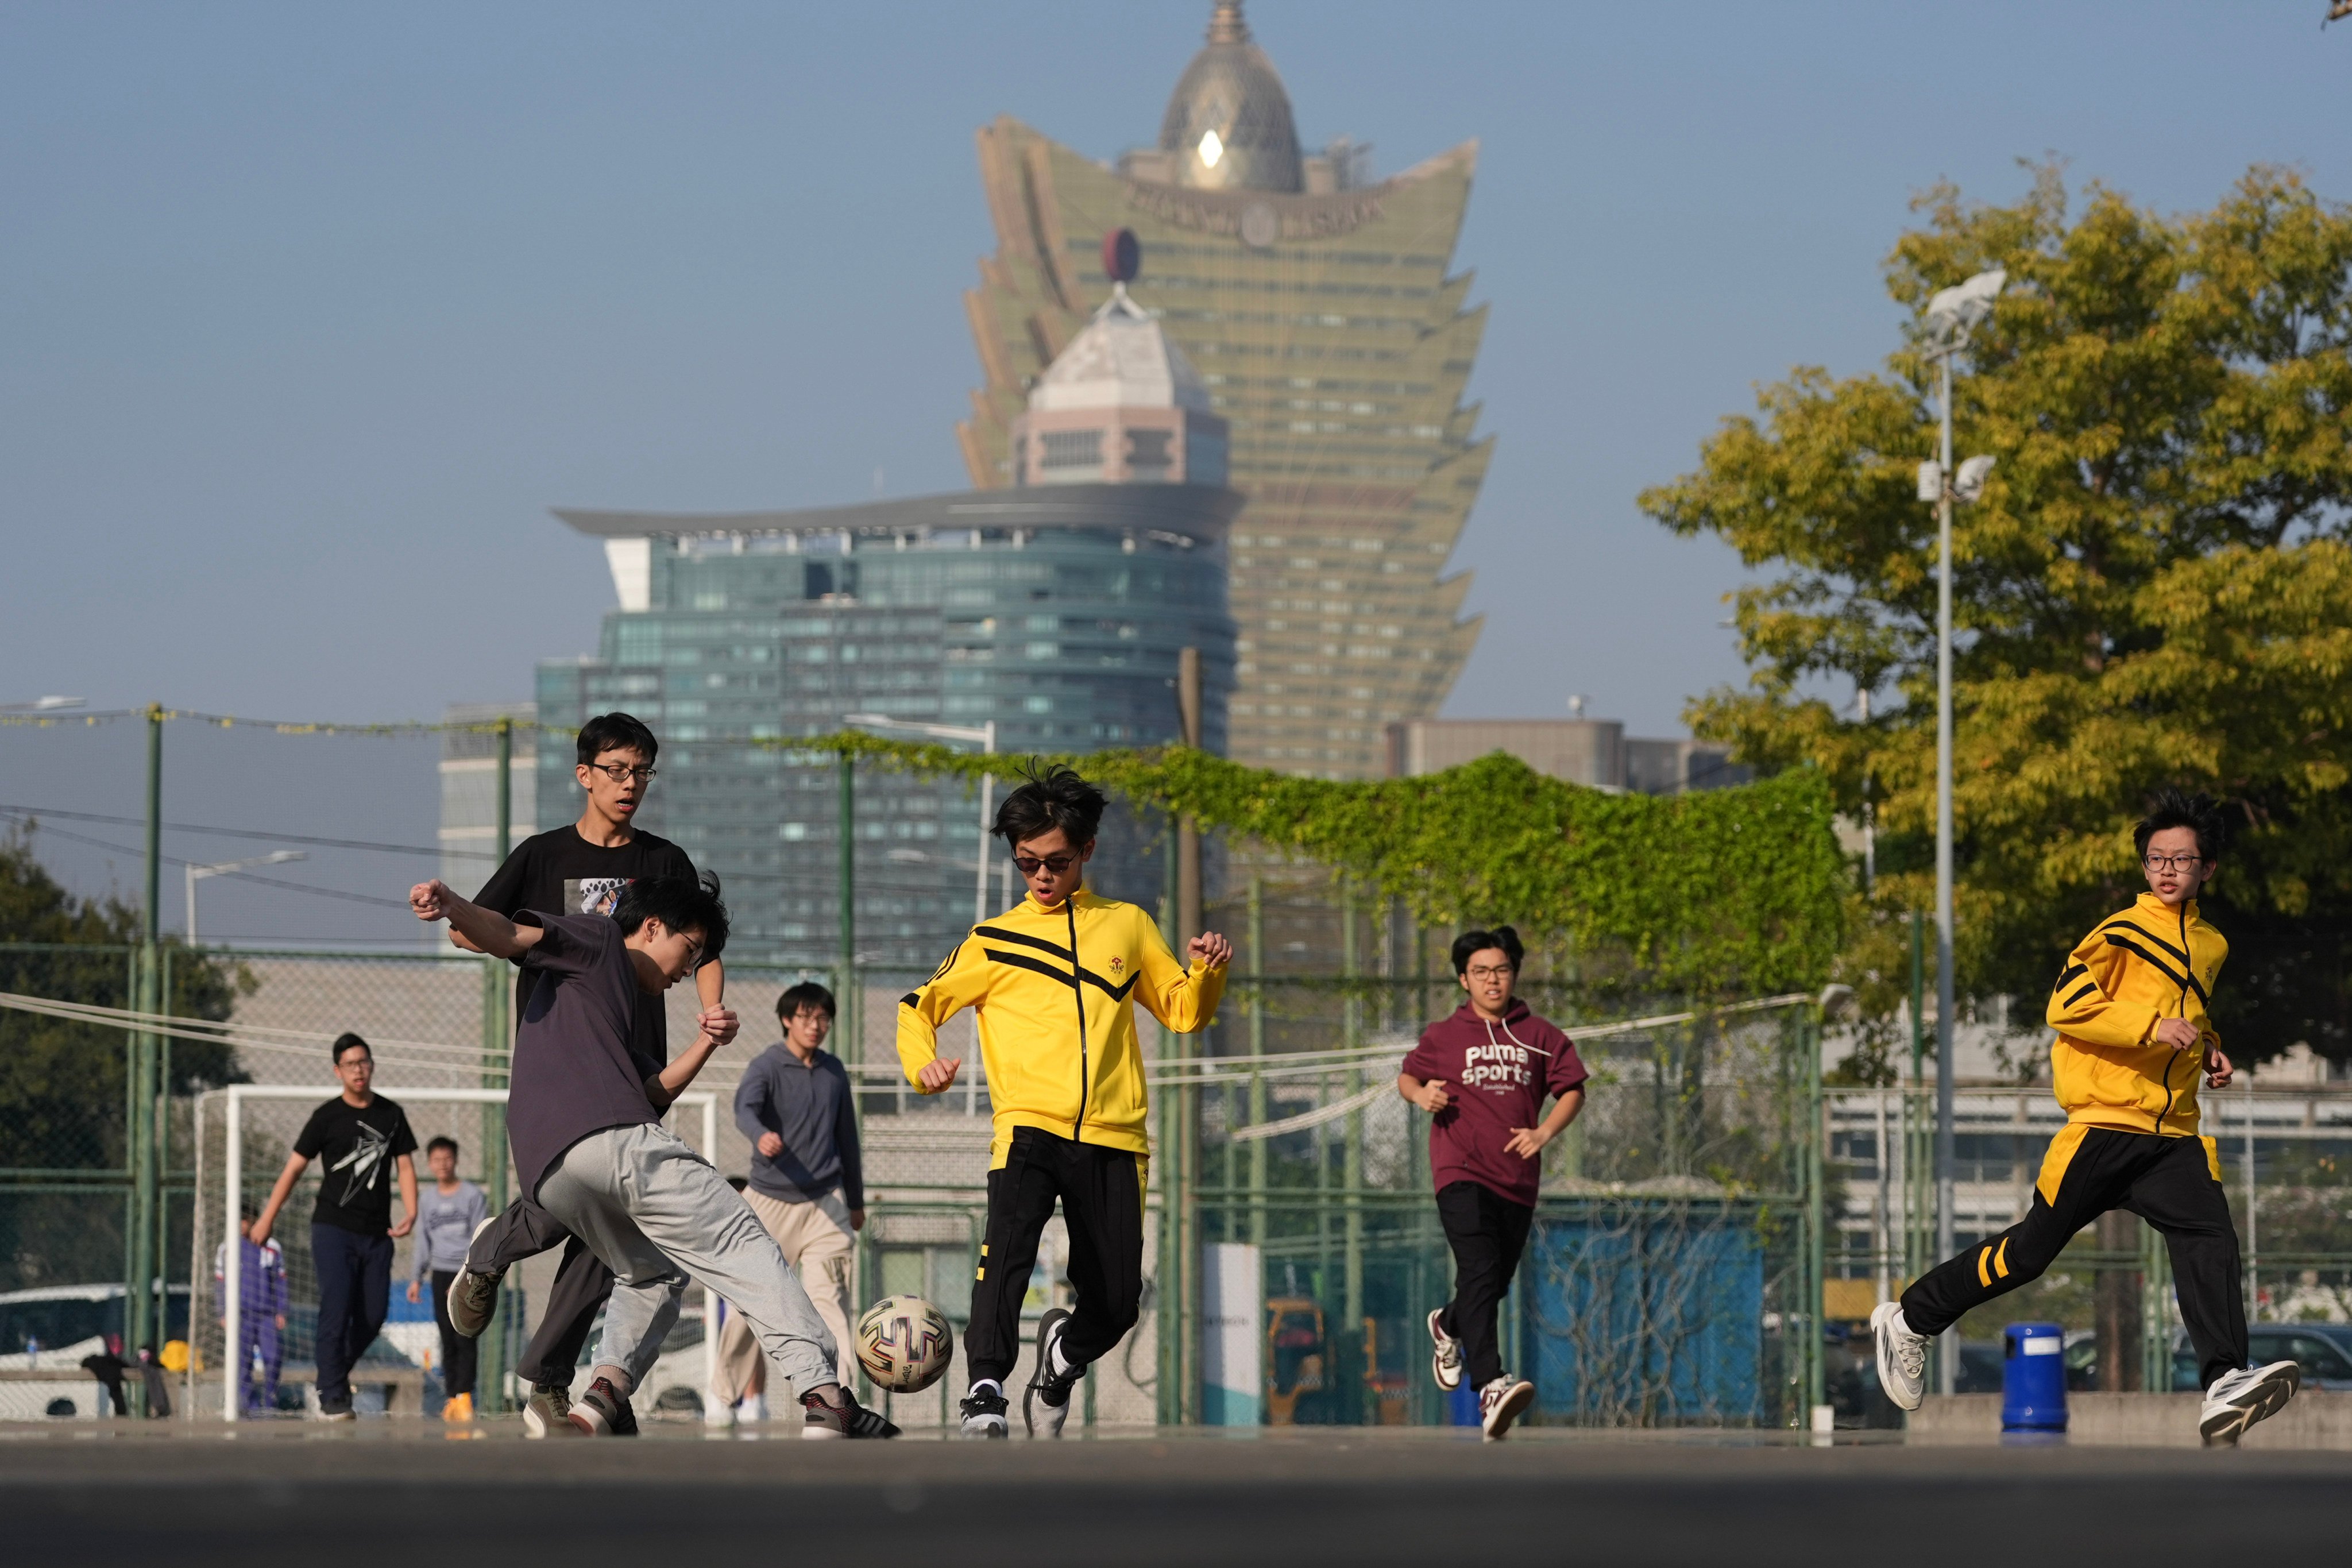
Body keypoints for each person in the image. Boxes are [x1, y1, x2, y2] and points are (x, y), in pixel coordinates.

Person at [1871, 789, 2301, 1446]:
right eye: (2156, 857)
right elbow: (2066, 1003)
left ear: (2207, 870)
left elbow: (2187, 1006)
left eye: (2181, 861)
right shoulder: (2119, 933)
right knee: (2029, 1254)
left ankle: (2223, 1383)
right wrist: (2154, 1027)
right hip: (2104, 1124)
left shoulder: (2212, 945)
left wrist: (2211, 1046)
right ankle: (1909, 1319)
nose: (2165, 870)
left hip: (2171, 1137)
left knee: (2210, 1240)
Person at [410, 872, 896, 1438]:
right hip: (616, 1147)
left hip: (553, 1176)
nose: (687, 972)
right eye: (688, 951)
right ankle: (826, 1394)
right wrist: (453, 906)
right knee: (741, 1239)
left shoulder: (604, 1011)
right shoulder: (599, 940)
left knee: (652, 1274)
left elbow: (654, 1092)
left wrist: (706, 1042)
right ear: (652, 926)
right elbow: (509, 936)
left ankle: (598, 1402)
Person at [898, 763, 1231, 1439]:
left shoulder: (1128, 926)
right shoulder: (992, 940)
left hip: (1115, 1137)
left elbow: (1182, 1013)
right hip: (1027, 1129)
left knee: (1115, 1303)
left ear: (1087, 852)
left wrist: (1207, 972)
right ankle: (985, 1391)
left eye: (1055, 861)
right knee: (1006, 1257)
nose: (1041, 877)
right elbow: (917, 1007)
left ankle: (1061, 1360)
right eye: (1026, 864)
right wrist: (921, 1067)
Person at [438, 712, 732, 1438]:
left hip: (634, 1065)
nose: (630, 785)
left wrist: (712, 1010)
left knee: (619, 1224)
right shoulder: (542, 856)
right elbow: (474, 926)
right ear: (585, 775)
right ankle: (505, 1267)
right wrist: (452, 909)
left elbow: (707, 941)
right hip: (560, 1059)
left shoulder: (664, 862)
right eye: (617, 771)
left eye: (642, 773)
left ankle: (546, 1374)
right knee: (586, 1197)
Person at [1398, 925, 1588, 1441]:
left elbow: (1572, 1088)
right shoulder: (1443, 1036)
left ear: (1514, 975)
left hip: (1516, 1180)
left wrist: (1545, 1131)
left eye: (1501, 970)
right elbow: (1407, 1077)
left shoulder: (1541, 1035)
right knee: (1479, 1267)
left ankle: (1449, 1325)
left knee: (1491, 1282)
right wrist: (1420, 1097)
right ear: (1464, 979)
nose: (1492, 981)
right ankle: (1490, 1385)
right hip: (1459, 1170)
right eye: (1480, 972)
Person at [716, 982, 864, 1422]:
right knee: (749, 1306)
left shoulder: (835, 1072)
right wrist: (760, 1135)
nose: (816, 1026)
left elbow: (848, 1141)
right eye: (807, 1017)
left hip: (825, 1206)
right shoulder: (767, 1065)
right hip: (768, 1203)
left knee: (829, 1303)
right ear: (787, 1019)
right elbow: (745, 1108)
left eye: (823, 1019)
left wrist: (855, 1201)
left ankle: (841, 1397)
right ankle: (723, 1396)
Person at [249, 1033, 418, 1421]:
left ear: (372, 1065)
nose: (359, 1070)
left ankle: (331, 1375)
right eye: (350, 1065)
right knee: (337, 1308)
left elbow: (405, 1165)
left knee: (373, 1316)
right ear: (337, 1071)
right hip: (333, 1229)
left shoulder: (391, 1114)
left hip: (377, 1233)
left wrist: (411, 1209)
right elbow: (294, 1169)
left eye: (364, 1062)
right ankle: (333, 1393)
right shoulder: (326, 1117)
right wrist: (267, 1218)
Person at [406, 1136, 488, 1422]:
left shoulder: (473, 1196)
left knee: (465, 1335)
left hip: (466, 1273)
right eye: (437, 1160)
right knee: (446, 1336)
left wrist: (467, 1276)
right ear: (430, 1163)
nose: (442, 1164)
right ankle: (453, 1397)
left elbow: (480, 1238)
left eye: (447, 1158)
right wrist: (416, 1278)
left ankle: (466, 1396)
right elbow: (422, 1242)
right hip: (439, 1274)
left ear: (456, 1160)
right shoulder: (427, 1199)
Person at [213, 1210, 288, 1415]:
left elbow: (280, 1281)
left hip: (266, 1314)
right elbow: (220, 1283)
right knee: (242, 1362)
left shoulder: (272, 1247)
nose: (241, 1225)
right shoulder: (227, 1249)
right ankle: (248, 1405)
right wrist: (223, 1312)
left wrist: (281, 1310)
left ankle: (271, 1402)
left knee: (273, 1358)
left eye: (244, 1221)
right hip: (240, 1316)